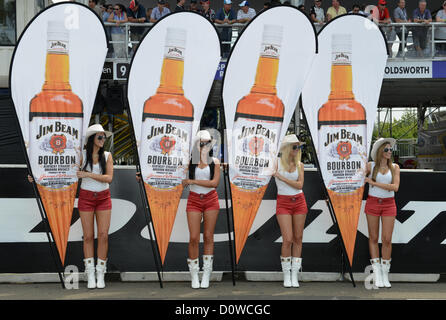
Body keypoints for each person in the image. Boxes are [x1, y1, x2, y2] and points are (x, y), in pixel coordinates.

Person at [28, 124, 114, 289]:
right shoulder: (80, 155)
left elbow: (109, 178)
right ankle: (89, 273)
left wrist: (88, 174)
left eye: (104, 137)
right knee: (88, 236)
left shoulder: (108, 155)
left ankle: (100, 273)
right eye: (100, 137)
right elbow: (62, 170)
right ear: (92, 139)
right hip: (86, 198)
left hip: (104, 198)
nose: (103, 140)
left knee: (103, 235)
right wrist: (37, 176)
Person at [182, 130, 221, 289]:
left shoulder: (215, 161)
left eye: (207, 143)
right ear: (196, 144)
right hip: (194, 200)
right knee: (193, 238)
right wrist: (141, 174)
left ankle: (206, 274)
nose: (205, 146)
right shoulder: (189, 161)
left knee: (208, 236)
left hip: (211, 199)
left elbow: (214, 183)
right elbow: (172, 173)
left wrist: (192, 180)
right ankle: (194, 275)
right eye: (202, 142)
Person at [364, 138, 400, 289]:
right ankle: (377, 274)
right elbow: (356, 177)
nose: (389, 151)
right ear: (379, 151)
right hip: (373, 202)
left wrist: (373, 183)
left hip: (389, 204)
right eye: (386, 149)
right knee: (373, 237)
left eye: (391, 149)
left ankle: (385, 274)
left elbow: (395, 187)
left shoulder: (395, 167)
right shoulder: (370, 166)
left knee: (386, 239)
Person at [273, 135, 308, 288]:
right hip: (283, 202)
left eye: (299, 147)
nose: (297, 149)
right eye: (294, 147)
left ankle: (295, 275)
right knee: (287, 239)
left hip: (299, 201)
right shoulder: (276, 163)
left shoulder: (300, 165)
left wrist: (281, 177)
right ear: (287, 148)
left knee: (298, 238)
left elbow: (300, 185)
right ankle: (286, 275)